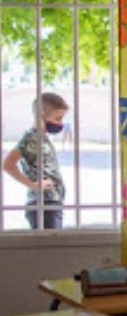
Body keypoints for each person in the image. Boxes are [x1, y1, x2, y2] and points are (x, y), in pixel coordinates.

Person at [3, 92, 70, 230]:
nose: (60, 123)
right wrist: (33, 185)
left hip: (51, 203)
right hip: (44, 204)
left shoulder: (42, 138)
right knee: (49, 248)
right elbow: (8, 165)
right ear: (43, 115)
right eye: (58, 118)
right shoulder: (31, 138)